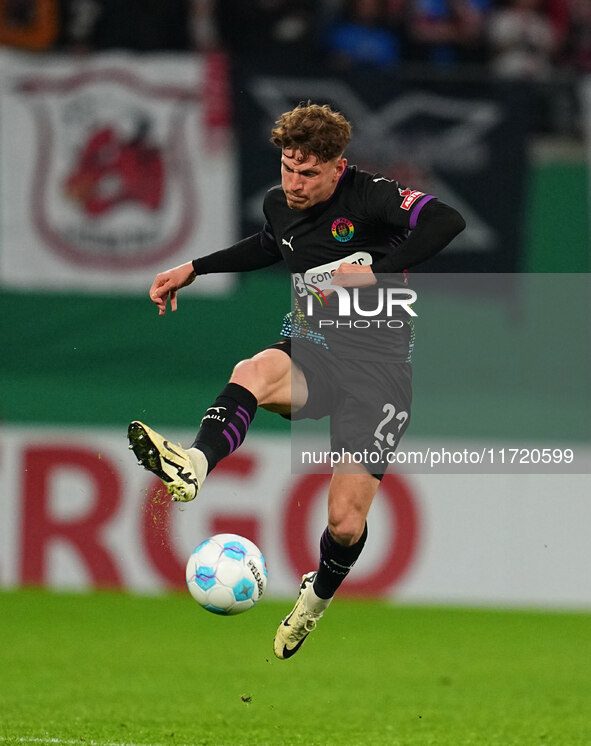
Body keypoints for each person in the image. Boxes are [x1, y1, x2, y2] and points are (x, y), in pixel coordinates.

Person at [128, 102, 465, 659]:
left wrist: (376, 273)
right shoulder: (278, 204)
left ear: (338, 167)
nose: (295, 182)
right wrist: (195, 267)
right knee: (252, 371)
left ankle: (314, 602)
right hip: (315, 350)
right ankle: (194, 464)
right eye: (288, 167)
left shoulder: (372, 196)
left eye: (309, 173)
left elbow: (446, 220)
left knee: (345, 521)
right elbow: (270, 243)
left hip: (379, 374)